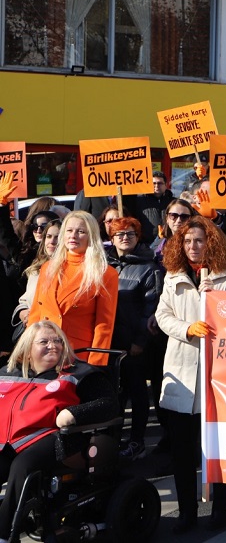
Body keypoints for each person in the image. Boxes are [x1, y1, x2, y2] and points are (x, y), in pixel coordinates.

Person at [156, 215, 226, 533]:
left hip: (215, 375)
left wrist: (213, 301)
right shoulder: (172, 277)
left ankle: (222, 508)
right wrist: (186, 329)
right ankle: (187, 513)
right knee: (182, 451)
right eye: (188, 241)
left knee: (218, 449)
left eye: (200, 240)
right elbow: (162, 315)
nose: (193, 246)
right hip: (181, 372)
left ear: (211, 243)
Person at [0, 321, 118, 541]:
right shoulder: (7, 373)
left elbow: (108, 403)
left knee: (22, 467)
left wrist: (74, 413)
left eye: (57, 341)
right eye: (44, 341)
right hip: (9, 440)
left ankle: (4, 534)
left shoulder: (79, 372)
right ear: (27, 349)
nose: (52, 346)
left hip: (54, 438)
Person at [105, 217, 163, 461]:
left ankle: (137, 441)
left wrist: (139, 341)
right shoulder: (104, 266)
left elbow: (152, 308)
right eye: (119, 234)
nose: (125, 237)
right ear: (111, 238)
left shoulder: (150, 268)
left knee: (138, 395)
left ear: (138, 236)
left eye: (130, 233)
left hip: (134, 346)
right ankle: (112, 443)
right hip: (108, 345)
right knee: (114, 397)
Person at [27, 212, 118, 365]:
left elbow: (104, 324)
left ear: (91, 236)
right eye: (69, 230)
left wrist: (96, 363)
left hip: (78, 355)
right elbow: (36, 313)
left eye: (81, 231)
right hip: (43, 354)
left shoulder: (106, 274)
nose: (73, 235)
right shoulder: (47, 268)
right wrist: (28, 350)